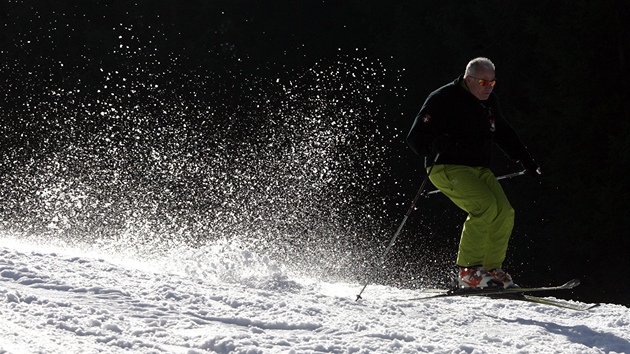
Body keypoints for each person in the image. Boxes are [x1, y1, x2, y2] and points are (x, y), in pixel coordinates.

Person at [406, 57, 541, 289]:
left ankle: (491, 270)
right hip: (447, 167)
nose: (488, 87)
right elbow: (415, 136)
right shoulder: (443, 98)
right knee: (485, 205)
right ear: (468, 80)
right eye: (483, 82)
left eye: (492, 83)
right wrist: (433, 144)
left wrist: (526, 161)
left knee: (505, 211)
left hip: (478, 167)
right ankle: (468, 271)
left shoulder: (489, 102)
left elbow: (503, 133)